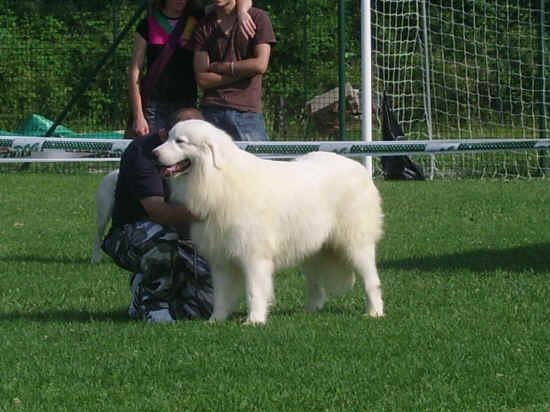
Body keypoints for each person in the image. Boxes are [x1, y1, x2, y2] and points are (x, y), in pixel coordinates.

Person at [102, 108, 213, 323]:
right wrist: (210, 211)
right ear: (164, 135)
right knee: (163, 243)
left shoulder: (209, 154)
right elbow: (158, 212)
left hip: (186, 238)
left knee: (203, 309)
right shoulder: (143, 152)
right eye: (178, 141)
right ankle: (151, 303)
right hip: (133, 234)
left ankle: (160, 284)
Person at [128, 0, 255, 137]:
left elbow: (241, 1)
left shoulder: (196, 18)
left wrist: (242, 13)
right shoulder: (147, 25)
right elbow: (135, 71)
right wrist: (138, 116)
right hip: (153, 105)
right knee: (153, 154)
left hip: (186, 104)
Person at [192, 0, 276, 141]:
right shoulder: (203, 25)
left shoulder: (258, 17)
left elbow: (260, 65)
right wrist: (245, 72)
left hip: (246, 112)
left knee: (258, 160)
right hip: (212, 111)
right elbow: (202, 79)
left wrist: (222, 67)